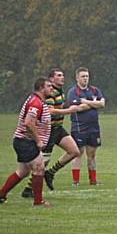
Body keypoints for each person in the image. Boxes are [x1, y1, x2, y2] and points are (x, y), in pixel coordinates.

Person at [0, 77, 71, 206]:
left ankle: (1, 195)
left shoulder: (39, 101)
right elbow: (28, 122)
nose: (51, 88)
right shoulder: (35, 102)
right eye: (49, 86)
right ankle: (38, 201)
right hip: (25, 141)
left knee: (22, 172)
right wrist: (38, 140)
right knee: (39, 167)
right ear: (41, 88)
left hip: (23, 141)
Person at [21, 68, 80, 197]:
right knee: (42, 163)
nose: (62, 77)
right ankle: (28, 189)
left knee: (74, 151)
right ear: (52, 79)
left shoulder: (60, 91)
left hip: (59, 128)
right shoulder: (50, 92)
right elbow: (50, 110)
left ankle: (50, 173)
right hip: (49, 130)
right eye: (59, 75)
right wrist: (69, 111)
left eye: (63, 75)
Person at [68, 67, 106, 186]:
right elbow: (78, 108)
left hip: (94, 128)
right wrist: (95, 103)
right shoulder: (73, 92)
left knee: (92, 155)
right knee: (78, 153)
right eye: (83, 76)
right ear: (77, 78)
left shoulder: (94, 90)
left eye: (87, 76)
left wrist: (86, 101)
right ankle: (75, 181)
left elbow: (102, 103)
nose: (85, 78)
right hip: (79, 128)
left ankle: (93, 181)